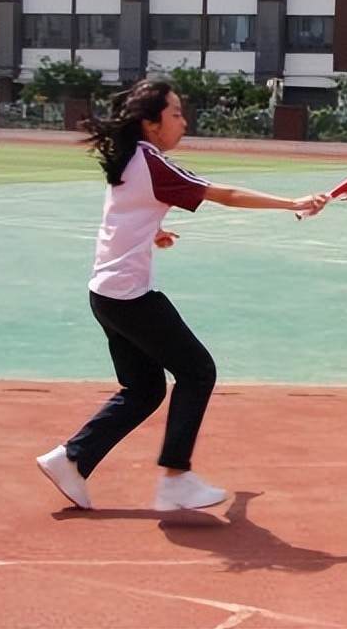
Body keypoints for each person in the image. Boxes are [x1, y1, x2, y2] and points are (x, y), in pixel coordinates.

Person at [36, 79, 328, 511]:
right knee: (197, 371)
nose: (183, 121)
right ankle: (176, 480)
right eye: (174, 113)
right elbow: (223, 194)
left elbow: (124, 212)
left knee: (144, 390)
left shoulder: (131, 158)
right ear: (151, 124)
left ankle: (72, 459)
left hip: (105, 295)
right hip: (130, 298)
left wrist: (152, 231)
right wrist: (293, 203)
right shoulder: (153, 162)